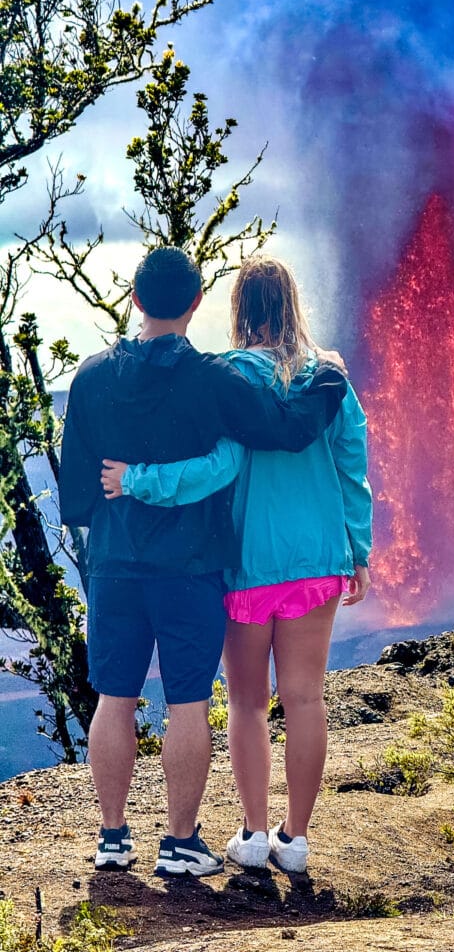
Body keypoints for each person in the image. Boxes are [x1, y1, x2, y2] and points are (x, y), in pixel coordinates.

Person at [59, 246, 347, 878]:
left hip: (115, 562)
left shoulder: (89, 377)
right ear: (195, 303)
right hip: (190, 568)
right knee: (187, 703)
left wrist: (121, 499)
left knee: (114, 696)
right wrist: (328, 382)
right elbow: (281, 431)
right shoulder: (213, 379)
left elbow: (76, 489)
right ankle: (182, 842)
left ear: (134, 299)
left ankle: (112, 838)